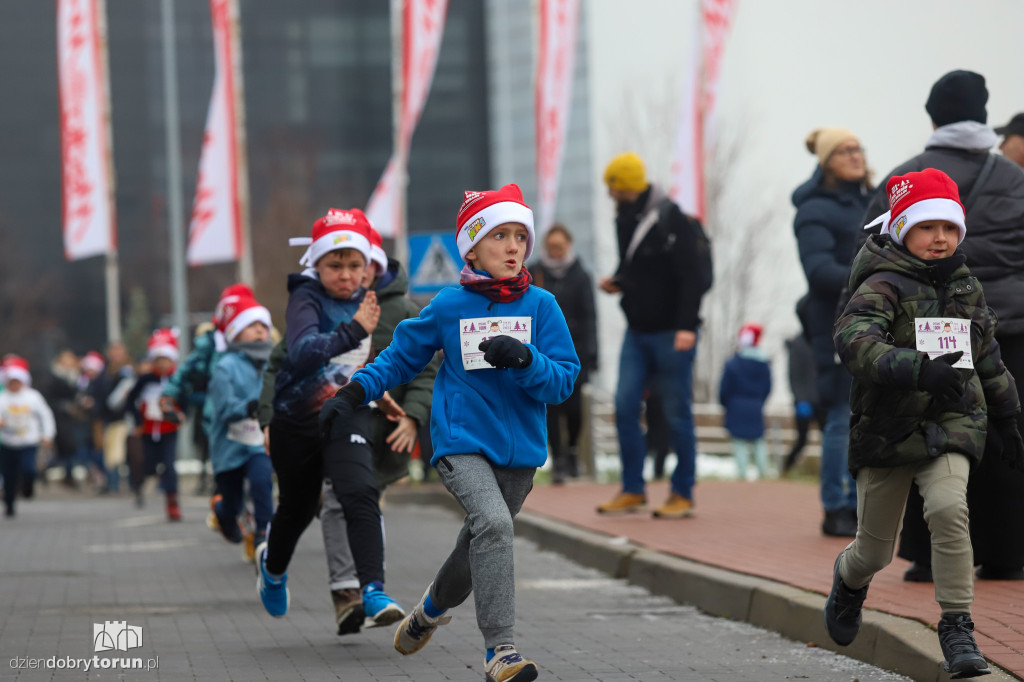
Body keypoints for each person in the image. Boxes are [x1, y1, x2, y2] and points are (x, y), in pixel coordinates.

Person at [322, 183, 579, 682]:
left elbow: (564, 381)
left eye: (519, 237)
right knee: (496, 526)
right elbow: (398, 358)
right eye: (499, 236)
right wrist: (353, 393)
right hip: (460, 445)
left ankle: (430, 610)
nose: (512, 247)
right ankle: (500, 651)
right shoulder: (448, 306)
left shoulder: (542, 306)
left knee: (478, 540)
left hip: (521, 453)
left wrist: (526, 360)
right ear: (472, 247)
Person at [824, 169, 1023, 679]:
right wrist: (917, 367)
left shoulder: (966, 286)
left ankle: (957, 627)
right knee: (874, 550)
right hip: (888, 427)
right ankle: (848, 583)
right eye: (928, 226)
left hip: (953, 421)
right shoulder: (880, 282)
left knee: (949, 508)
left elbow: (989, 355)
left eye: (950, 228)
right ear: (902, 227)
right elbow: (855, 342)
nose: (941, 238)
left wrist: (1007, 415)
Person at [861, 71, 1024, 581]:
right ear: (982, 116)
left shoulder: (907, 175)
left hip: (925, 324)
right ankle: (1008, 552)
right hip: (1012, 327)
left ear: (933, 116)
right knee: (1001, 429)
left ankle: (930, 556)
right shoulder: (1016, 178)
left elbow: (873, 255)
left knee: (927, 429)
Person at [256, 208, 405, 627]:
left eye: (354, 265)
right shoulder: (306, 298)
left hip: (346, 414)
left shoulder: (369, 300)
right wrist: (354, 330)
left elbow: (359, 363)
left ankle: (372, 589)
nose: (344, 274)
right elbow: (303, 352)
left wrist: (382, 394)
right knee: (297, 510)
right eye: (334, 265)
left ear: (369, 267)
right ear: (316, 265)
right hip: (296, 422)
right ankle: (272, 570)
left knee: (360, 492)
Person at [596, 152, 707, 518]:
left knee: (676, 412)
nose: (610, 194)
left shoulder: (671, 217)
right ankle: (632, 489)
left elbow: (691, 276)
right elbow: (640, 268)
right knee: (625, 404)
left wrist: (687, 327)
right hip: (637, 330)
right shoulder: (625, 217)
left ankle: (683, 492)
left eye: (613, 187)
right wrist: (620, 281)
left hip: (672, 333)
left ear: (624, 185)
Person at [792, 127, 872, 536]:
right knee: (842, 416)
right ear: (826, 162)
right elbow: (818, 271)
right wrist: (877, 278)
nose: (855, 156)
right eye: (843, 151)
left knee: (868, 418)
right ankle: (835, 506)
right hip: (835, 324)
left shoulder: (876, 202)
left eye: (857, 148)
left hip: (878, 321)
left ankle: (862, 505)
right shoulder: (814, 211)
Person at [161, 283, 253, 497]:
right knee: (227, 471)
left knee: (257, 471)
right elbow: (184, 371)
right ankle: (227, 509)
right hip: (219, 414)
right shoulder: (211, 342)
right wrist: (169, 396)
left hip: (254, 411)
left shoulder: (263, 336)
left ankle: (257, 522)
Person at [206, 294, 275, 561]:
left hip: (259, 442)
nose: (260, 330)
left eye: (264, 325)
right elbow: (222, 408)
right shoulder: (226, 366)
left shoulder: (274, 364)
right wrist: (249, 406)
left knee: (261, 481)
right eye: (252, 325)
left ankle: (263, 535)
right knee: (232, 501)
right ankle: (222, 512)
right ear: (235, 332)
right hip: (229, 446)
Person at [532, 223, 597, 483]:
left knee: (573, 409)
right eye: (551, 247)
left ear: (568, 246)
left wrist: (592, 354)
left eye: (559, 247)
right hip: (544, 350)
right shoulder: (535, 272)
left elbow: (590, 316)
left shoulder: (581, 275)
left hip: (576, 352)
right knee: (550, 408)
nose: (555, 252)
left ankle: (571, 452)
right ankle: (558, 458)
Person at [125, 329, 183, 521]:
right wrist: (138, 422)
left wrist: (182, 414)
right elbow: (130, 401)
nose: (162, 364)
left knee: (169, 466)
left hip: (169, 430)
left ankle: (172, 503)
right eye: (158, 360)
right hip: (148, 431)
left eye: (165, 359)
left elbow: (186, 399)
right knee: (148, 466)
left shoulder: (178, 379)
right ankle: (139, 487)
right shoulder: (145, 380)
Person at [0, 356, 55, 517]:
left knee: (28, 469)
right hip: (8, 443)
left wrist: (47, 435)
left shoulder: (33, 396)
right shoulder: (2, 398)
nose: (14, 384)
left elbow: (46, 416)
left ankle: (28, 488)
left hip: (28, 441)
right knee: (8, 476)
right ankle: (9, 504)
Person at [719, 324, 772, 481]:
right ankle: (763, 473)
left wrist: (726, 403)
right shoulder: (764, 363)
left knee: (739, 442)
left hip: (735, 405)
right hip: (755, 405)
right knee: (758, 440)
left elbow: (724, 388)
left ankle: (742, 475)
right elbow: (768, 387)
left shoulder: (733, 363)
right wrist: (759, 401)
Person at [89, 342, 136, 493]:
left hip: (122, 417)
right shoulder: (106, 371)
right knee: (110, 452)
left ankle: (119, 484)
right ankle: (112, 483)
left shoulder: (127, 371)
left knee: (119, 453)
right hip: (107, 417)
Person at [781, 331, 825, 475]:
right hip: (805, 401)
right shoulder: (798, 344)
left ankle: (829, 473)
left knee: (830, 439)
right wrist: (801, 399)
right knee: (802, 440)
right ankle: (785, 470)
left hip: (822, 400)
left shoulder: (823, 339)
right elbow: (794, 375)